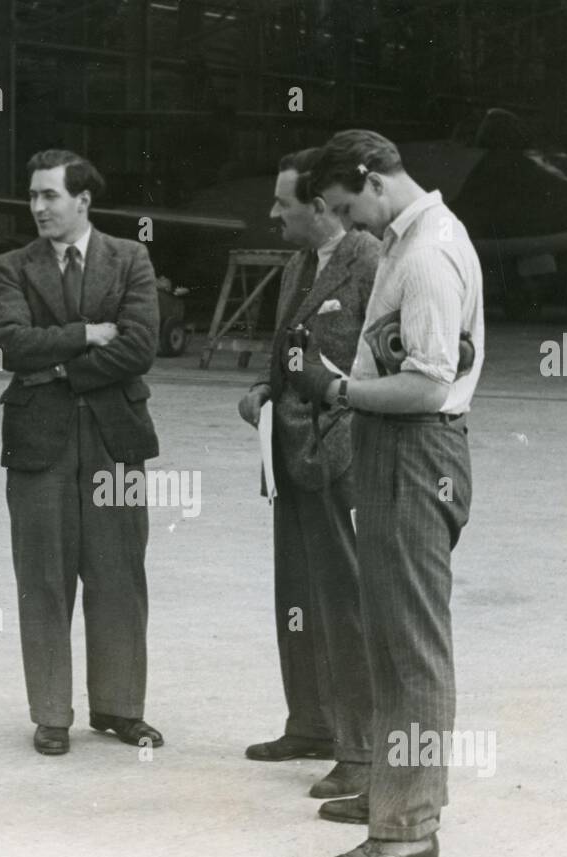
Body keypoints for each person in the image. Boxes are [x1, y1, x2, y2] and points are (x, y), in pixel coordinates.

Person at [292, 130, 485, 857]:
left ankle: (408, 824)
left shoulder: (431, 251)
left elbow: (430, 385)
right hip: (391, 448)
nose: (351, 224)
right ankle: (390, 783)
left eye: (348, 207)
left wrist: (338, 389)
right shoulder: (408, 240)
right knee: (387, 636)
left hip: (417, 451)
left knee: (412, 648)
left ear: (372, 179)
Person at [0, 149, 164, 757]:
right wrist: (87, 336)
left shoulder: (131, 257)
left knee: (119, 573)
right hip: (39, 443)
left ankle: (119, 709)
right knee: (43, 577)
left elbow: (140, 346)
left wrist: (58, 365)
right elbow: (11, 343)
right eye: (33, 196)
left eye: (50, 196)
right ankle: (51, 714)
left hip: (116, 441)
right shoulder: (13, 266)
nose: (37, 207)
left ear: (83, 201)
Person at [238, 147, 380, 800]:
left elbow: (372, 363)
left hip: (338, 457)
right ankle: (311, 723)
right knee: (297, 596)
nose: (273, 214)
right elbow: (291, 357)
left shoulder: (369, 262)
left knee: (346, 605)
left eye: (283, 204)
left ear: (319, 209)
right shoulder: (300, 264)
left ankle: (360, 748)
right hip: (290, 457)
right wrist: (265, 397)